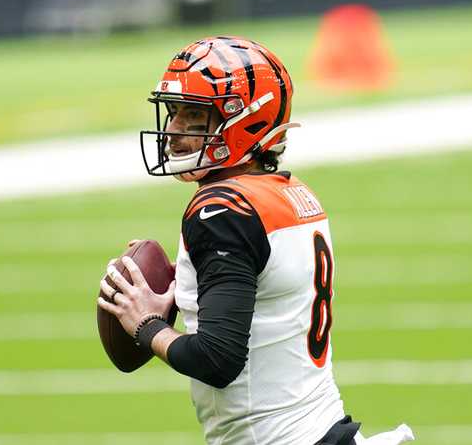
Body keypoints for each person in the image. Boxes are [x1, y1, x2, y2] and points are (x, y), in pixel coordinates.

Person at [97, 36, 414, 445]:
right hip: (321, 428)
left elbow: (217, 359)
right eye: (173, 112)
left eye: (193, 116)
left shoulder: (221, 209)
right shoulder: (291, 193)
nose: (173, 132)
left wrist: (147, 325)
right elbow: (262, 288)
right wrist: (184, 291)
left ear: (244, 120)